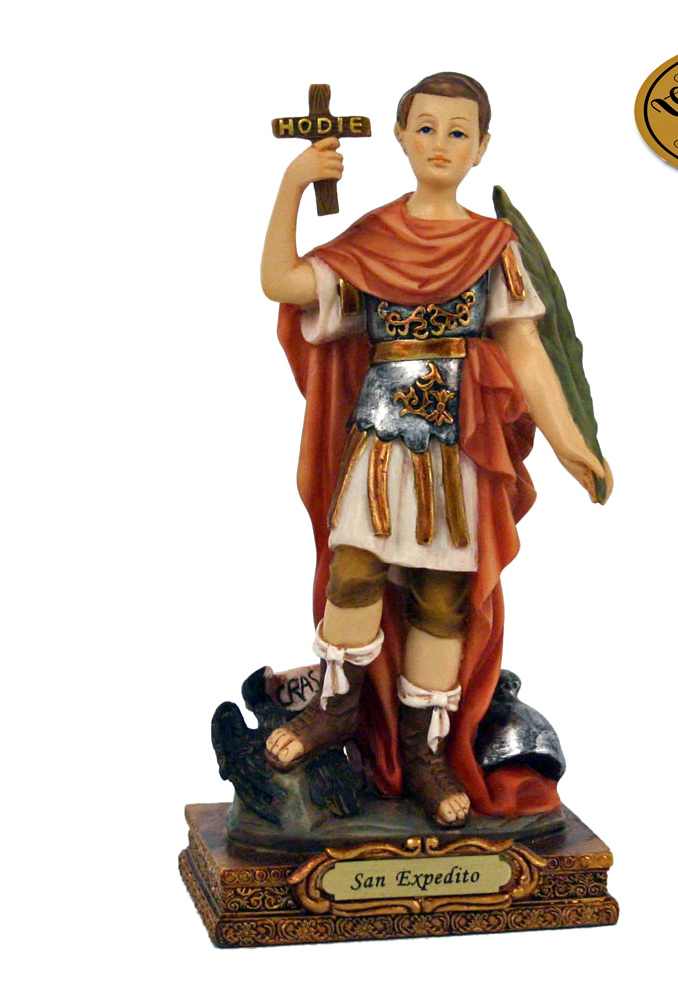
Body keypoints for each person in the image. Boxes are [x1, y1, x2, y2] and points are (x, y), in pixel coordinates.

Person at [260, 72, 611, 828]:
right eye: (426, 127)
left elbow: (526, 348)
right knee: (353, 571)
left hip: (457, 450)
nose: (441, 144)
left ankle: (425, 752)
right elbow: (282, 282)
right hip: (380, 440)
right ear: (400, 136)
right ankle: (337, 708)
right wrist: (294, 183)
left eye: (458, 131)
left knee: (443, 597)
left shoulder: (491, 247)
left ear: (482, 147)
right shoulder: (373, 241)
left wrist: (568, 442)